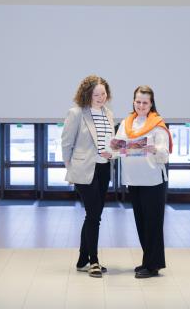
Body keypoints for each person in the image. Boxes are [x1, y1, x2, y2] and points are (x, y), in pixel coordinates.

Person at [114, 85, 173, 279]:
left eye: (145, 102)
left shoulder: (158, 125)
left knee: (153, 223)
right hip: (134, 179)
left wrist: (154, 149)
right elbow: (118, 145)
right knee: (141, 223)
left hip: (153, 180)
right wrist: (112, 149)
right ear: (133, 101)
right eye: (138, 101)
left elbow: (165, 155)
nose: (141, 105)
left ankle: (154, 265)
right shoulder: (126, 123)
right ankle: (148, 261)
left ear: (151, 103)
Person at [61, 75, 115, 278]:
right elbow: (66, 143)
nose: (101, 97)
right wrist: (71, 168)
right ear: (87, 94)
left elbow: (109, 141)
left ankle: (82, 260)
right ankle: (94, 261)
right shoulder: (76, 113)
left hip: (103, 169)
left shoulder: (108, 113)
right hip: (84, 170)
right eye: (96, 94)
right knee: (94, 216)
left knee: (94, 215)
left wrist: (113, 152)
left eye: (103, 93)